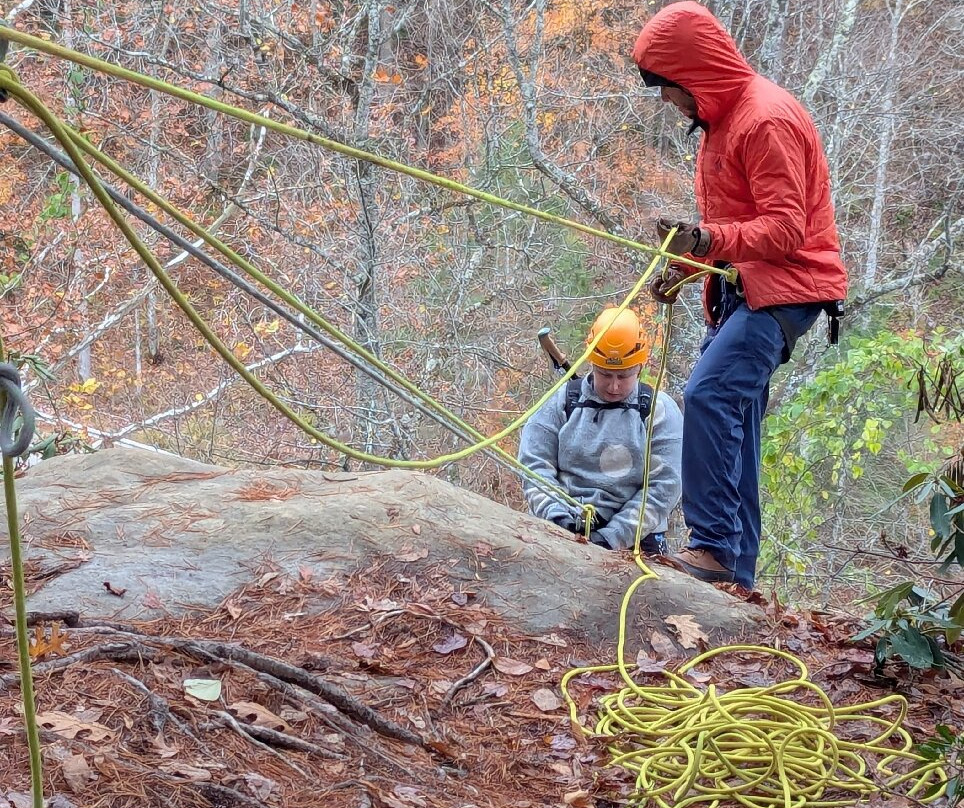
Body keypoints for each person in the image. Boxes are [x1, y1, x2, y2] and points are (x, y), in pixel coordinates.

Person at [632, 2, 848, 588]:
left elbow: (784, 231)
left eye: (668, 88)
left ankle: (715, 548)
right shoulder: (725, 122)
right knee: (739, 424)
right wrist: (688, 263)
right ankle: (737, 576)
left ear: (695, 75)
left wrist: (707, 239)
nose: (666, 101)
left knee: (708, 397)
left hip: (784, 288)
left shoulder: (764, 120)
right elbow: (735, 221)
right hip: (748, 286)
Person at [518, 307, 683, 554]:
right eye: (605, 374)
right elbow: (534, 464)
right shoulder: (563, 402)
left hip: (637, 536)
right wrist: (557, 518)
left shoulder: (658, 411)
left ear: (640, 366)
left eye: (624, 376)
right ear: (592, 363)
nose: (614, 386)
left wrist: (610, 538)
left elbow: (664, 486)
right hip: (562, 521)